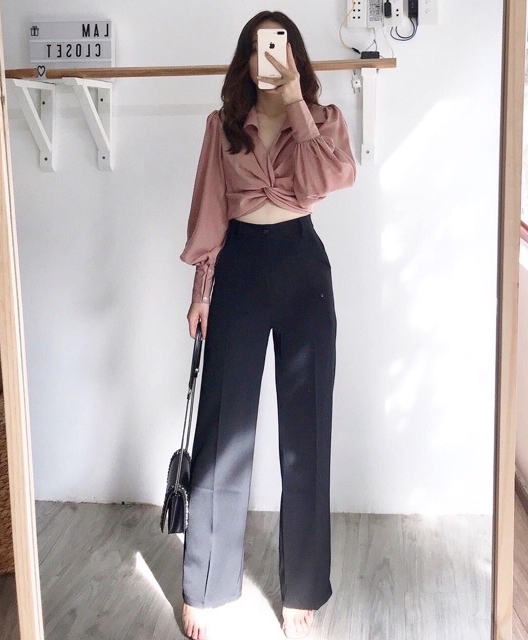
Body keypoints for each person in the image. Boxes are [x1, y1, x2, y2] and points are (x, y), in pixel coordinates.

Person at [179, 10, 356, 640]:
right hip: (240, 269)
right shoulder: (222, 125)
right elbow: (209, 210)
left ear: (296, 57)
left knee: (307, 433)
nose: (269, 57)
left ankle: (303, 586)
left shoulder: (323, 121)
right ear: (245, 58)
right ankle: (206, 585)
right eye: (259, 47)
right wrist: (202, 292)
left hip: (304, 268)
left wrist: (296, 105)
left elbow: (331, 179)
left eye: (279, 47)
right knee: (223, 429)